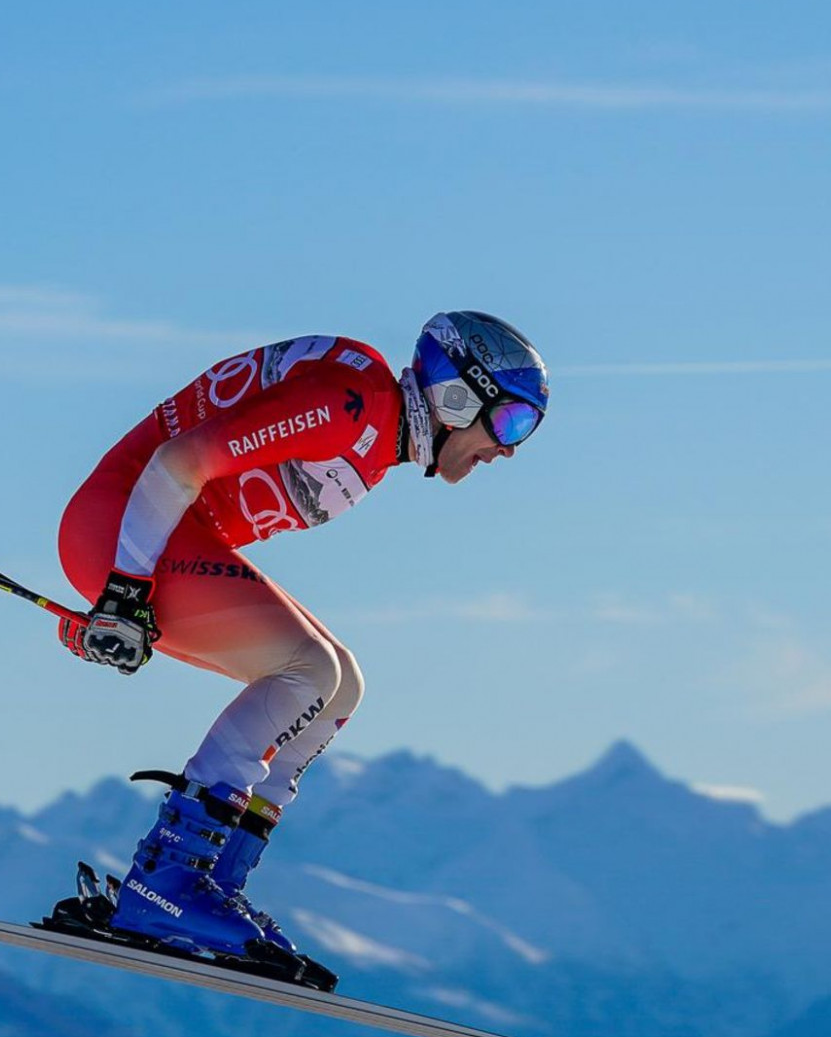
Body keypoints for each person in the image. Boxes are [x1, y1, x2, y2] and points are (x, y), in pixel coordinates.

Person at [55, 311, 548, 983]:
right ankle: (165, 884)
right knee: (307, 670)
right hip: (126, 529)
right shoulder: (354, 407)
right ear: (456, 397)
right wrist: (123, 591)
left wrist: (123, 596)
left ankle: (210, 882)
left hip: (157, 538)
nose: (512, 449)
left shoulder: (374, 430)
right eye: (514, 422)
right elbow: (180, 460)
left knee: (339, 686)